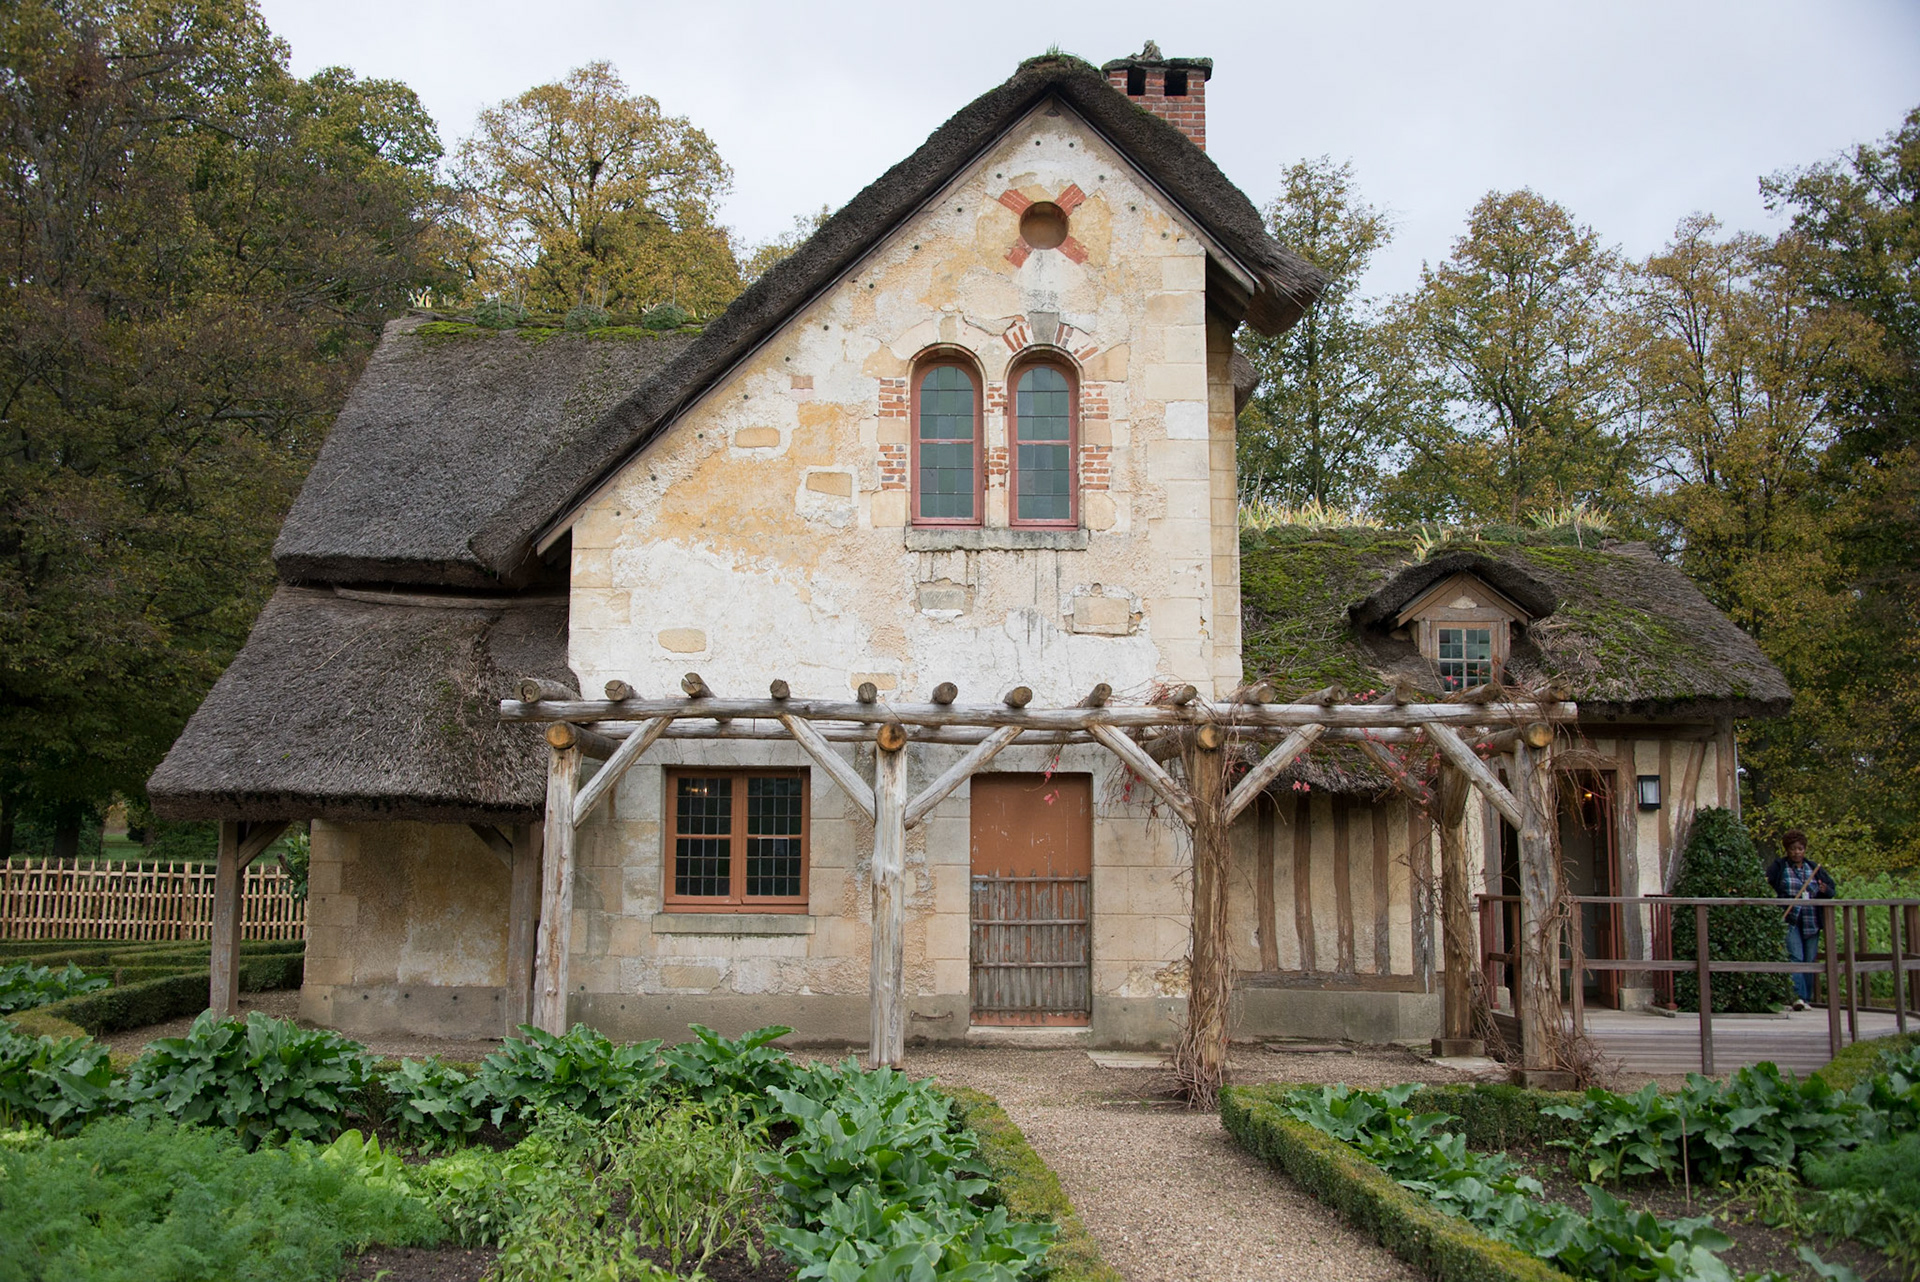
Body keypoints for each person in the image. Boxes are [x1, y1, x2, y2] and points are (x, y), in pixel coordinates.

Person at [1765, 830, 1835, 1011]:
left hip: (1811, 919)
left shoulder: (1814, 868)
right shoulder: (1780, 867)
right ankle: (1799, 997)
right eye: (1793, 849)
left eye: (1800, 849)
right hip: (1791, 917)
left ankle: (1807, 998)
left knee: (1810, 960)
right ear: (1787, 850)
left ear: (1805, 850)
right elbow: (1764, 882)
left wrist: (1824, 889)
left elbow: (1831, 891)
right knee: (1795, 956)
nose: (1797, 852)